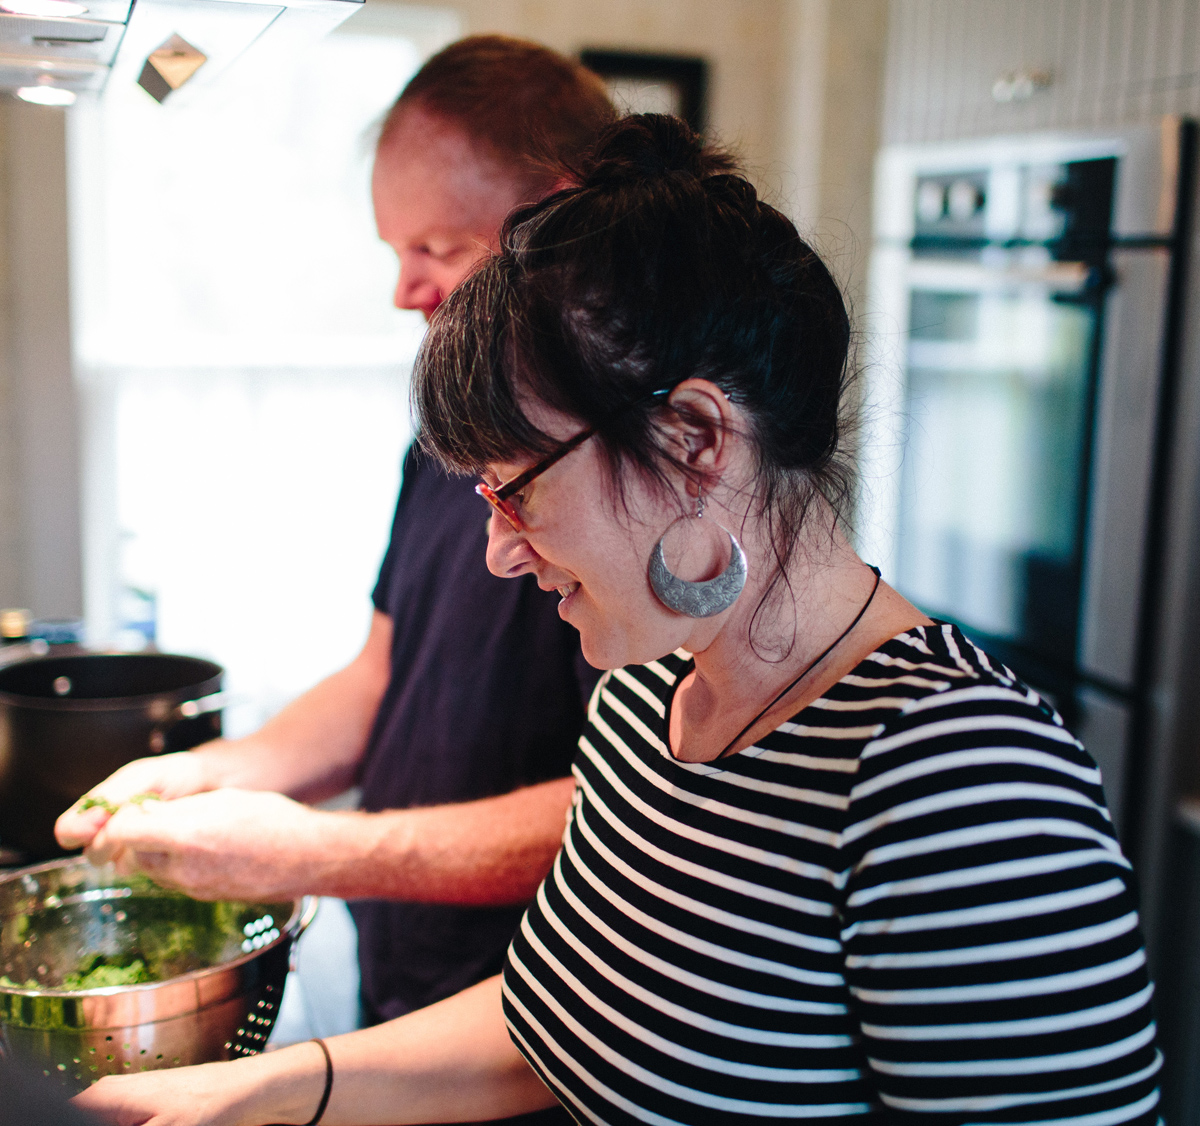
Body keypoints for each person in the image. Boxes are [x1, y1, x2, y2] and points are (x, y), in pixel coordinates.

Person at [74, 114, 1160, 1126]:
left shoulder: (961, 786)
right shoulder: (648, 697)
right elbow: (552, 1025)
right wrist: (254, 1094)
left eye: (520, 488)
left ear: (695, 438)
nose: (499, 547)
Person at [54, 36, 613, 1030]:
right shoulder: (447, 445)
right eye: (396, 253)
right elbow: (377, 680)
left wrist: (310, 850)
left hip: (541, 1010)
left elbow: (628, 809)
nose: (404, 289)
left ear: (558, 218)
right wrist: (212, 774)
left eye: (435, 249)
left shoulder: (624, 484)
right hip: (409, 976)